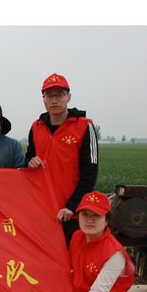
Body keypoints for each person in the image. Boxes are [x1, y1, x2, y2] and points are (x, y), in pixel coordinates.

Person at [25, 72, 99, 244]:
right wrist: (29, 160)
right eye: (49, 96)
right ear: (43, 99)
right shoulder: (36, 127)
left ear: (68, 97)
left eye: (59, 95)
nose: (54, 100)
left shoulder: (84, 126)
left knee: (72, 254)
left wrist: (72, 207)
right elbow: (28, 156)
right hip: (42, 210)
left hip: (71, 213)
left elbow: (90, 174)